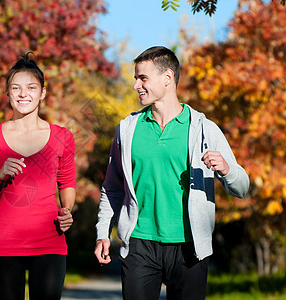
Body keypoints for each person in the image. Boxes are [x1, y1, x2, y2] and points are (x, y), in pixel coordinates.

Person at [94, 46, 249, 300]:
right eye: (136, 78)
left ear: (168, 78)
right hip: (139, 244)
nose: (136, 85)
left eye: (143, 78)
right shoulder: (127, 129)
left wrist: (227, 169)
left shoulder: (203, 129)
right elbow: (112, 187)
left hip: (189, 246)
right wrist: (103, 233)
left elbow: (242, 188)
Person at [0, 52, 76, 300]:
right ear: (7, 94)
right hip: (4, 246)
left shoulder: (63, 136)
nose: (23, 94)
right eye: (15, 88)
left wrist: (67, 210)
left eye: (31, 87)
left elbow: (67, 183)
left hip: (50, 244)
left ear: (42, 93)